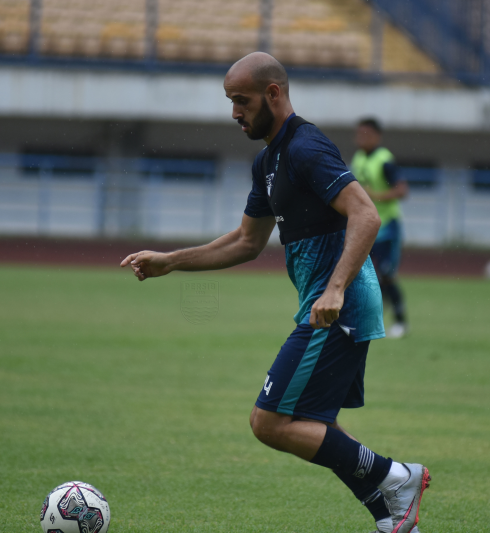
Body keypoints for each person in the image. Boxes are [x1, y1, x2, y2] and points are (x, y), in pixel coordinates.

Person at [121, 53, 430, 533]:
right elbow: (246, 242)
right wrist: (171, 261)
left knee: (269, 422)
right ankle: (391, 517)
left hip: (336, 306)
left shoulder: (306, 147)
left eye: (240, 101)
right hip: (328, 303)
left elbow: (366, 214)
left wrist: (334, 290)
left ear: (273, 94)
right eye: (229, 102)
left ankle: (397, 476)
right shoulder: (268, 161)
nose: (234, 113)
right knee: (314, 425)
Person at [350, 119, 410, 338]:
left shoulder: (384, 160)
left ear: (377, 136)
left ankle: (401, 322)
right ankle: (370, 318)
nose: (361, 138)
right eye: (359, 133)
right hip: (367, 227)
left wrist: (376, 196)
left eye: (366, 133)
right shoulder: (358, 158)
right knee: (365, 274)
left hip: (388, 228)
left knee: (386, 274)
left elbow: (403, 191)